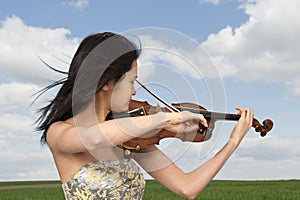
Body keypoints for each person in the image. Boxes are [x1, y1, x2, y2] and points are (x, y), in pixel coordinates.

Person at [35, 32, 253, 200]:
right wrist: (164, 118)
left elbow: (188, 188)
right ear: (107, 83)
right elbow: (93, 138)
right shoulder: (60, 133)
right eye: (131, 81)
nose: (134, 91)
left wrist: (232, 143)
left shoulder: (131, 138)